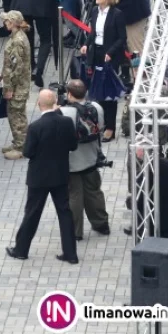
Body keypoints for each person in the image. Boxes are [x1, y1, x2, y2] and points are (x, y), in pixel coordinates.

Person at [6, 89, 79, 264]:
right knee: (64, 212)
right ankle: (70, 253)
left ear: (39, 105)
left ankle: (21, 249)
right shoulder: (67, 122)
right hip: (60, 175)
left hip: (39, 178)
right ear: (55, 103)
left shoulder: (35, 127)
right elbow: (73, 146)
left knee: (32, 213)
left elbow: (28, 152)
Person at [59, 80, 110, 241]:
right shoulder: (96, 107)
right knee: (94, 192)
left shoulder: (64, 112)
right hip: (92, 158)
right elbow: (100, 127)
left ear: (69, 94)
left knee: (74, 195)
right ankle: (101, 224)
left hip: (72, 161)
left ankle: (75, 231)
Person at [80, 0, 127, 142]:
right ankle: (101, 123)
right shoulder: (94, 11)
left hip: (110, 56)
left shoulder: (117, 14)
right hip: (97, 53)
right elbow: (93, 32)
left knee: (109, 93)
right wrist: (86, 44)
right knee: (97, 91)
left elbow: (122, 38)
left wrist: (110, 53)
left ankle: (110, 127)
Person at [0, 11, 33, 160]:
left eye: (6, 20)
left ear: (12, 23)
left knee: (17, 116)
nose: (4, 22)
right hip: (18, 83)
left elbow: (16, 67)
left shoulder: (17, 41)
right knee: (14, 114)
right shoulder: (16, 36)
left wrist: (9, 88)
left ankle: (21, 147)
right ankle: (17, 142)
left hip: (18, 86)